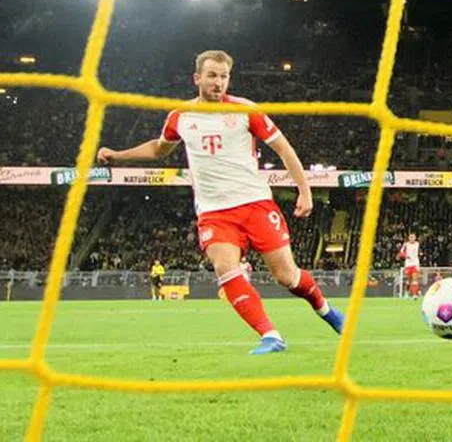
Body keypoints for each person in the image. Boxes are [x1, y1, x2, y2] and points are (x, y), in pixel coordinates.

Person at [97, 49, 344, 354]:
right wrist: (118, 155)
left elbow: (284, 148)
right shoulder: (180, 116)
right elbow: (159, 149)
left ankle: (326, 311)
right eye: (212, 75)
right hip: (214, 212)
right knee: (226, 269)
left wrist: (304, 191)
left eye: (224, 76)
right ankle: (271, 336)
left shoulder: (245, 110)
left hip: (255, 203)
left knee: (287, 276)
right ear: (197, 78)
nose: (218, 83)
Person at [399, 233, 421, 298]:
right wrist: (406, 256)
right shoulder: (406, 244)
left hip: (415, 263)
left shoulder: (417, 244)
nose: (412, 238)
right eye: (410, 237)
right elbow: (401, 253)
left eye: (413, 237)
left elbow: (420, 251)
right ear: (408, 238)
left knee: (415, 279)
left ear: (415, 238)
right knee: (408, 280)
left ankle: (415, 294)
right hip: (408, 264)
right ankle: (406, 292)